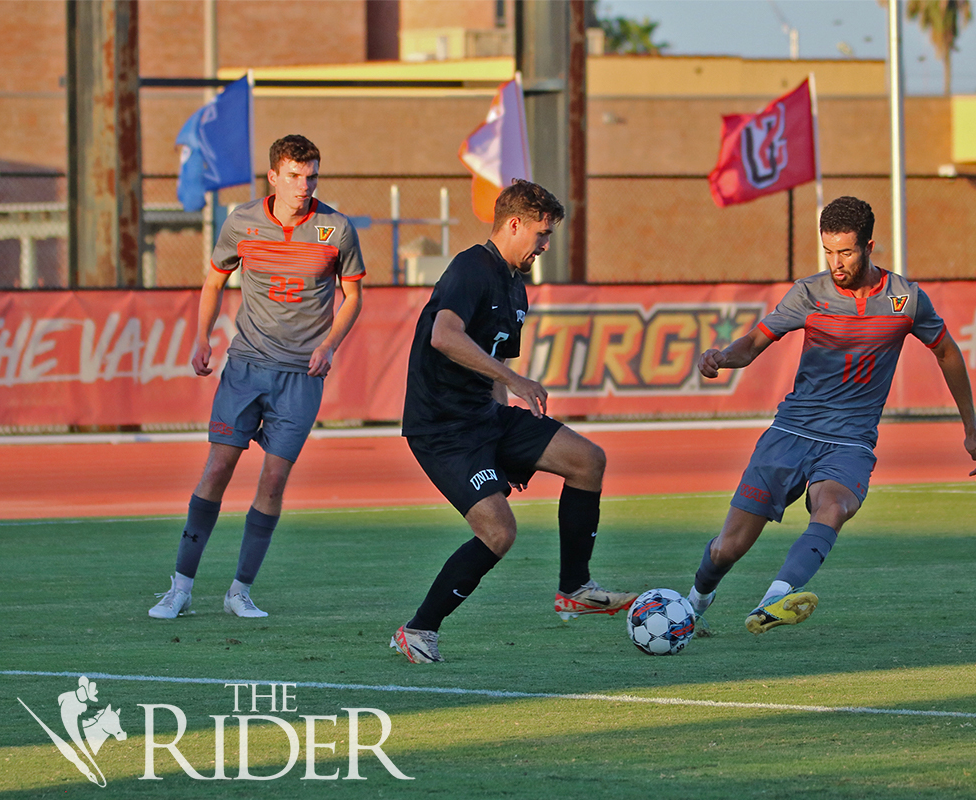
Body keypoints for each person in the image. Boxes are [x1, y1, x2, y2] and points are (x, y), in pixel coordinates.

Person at [686, 195, 976, 635]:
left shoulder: (905, 299)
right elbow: (753, 344)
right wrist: (722, 357)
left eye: (845, 252)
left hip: (850, 441)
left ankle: (774, 601)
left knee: (834, 508)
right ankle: (694, 603)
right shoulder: (809, 293)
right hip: (790, 433)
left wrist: (972, 429)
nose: (835, 263)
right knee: (727, 548)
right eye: (828, 251)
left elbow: (947, 352)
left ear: (868, 246)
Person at [392, 179, 635, 664]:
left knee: (587, 459)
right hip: (441, 430)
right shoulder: (472, 267)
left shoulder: (515, 285)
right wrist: (517, 381)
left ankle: (575, 588)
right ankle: (418, 630)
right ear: (515, 224)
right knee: (499, 532)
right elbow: (444, 336)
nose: (545, 245)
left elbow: (491, 364)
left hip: (484, 417)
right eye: (542, 235)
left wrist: (502, 429)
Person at [149, 134, 365, 620]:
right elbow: (214, 280)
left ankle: (239, 592)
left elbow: (353, 298)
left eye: (311, 176)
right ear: (273, 177)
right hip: (245, 368)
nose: (304, 185)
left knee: (273, 481)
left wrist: (329, 344)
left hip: (301, 378)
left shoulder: (336, 229)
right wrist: (202, 338)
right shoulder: (241, 222)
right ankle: (180, 588)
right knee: (217, 470)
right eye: (294, 176)